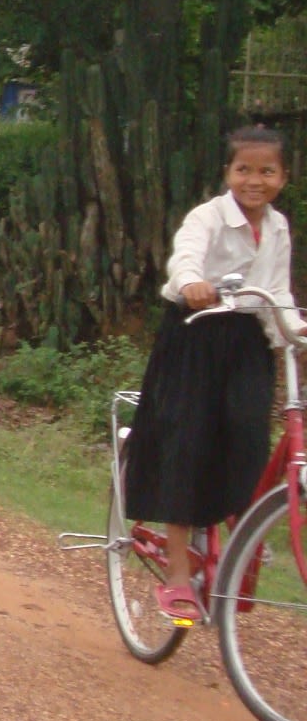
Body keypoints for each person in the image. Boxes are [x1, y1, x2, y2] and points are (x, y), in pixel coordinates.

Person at [123, 125, 296, 624]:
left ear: (283, 177)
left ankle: (237, 540)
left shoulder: (279, 227)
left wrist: (294, 332)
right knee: (188, 443)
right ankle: (178, 574)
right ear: (228, 173)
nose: (254, 180)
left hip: (246, 340)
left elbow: (277, 293)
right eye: (244, 169)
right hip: (196, 332)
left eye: (267, 171)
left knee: (247, 437)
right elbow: (185, 258)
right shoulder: (208, 217)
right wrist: (193, 282)